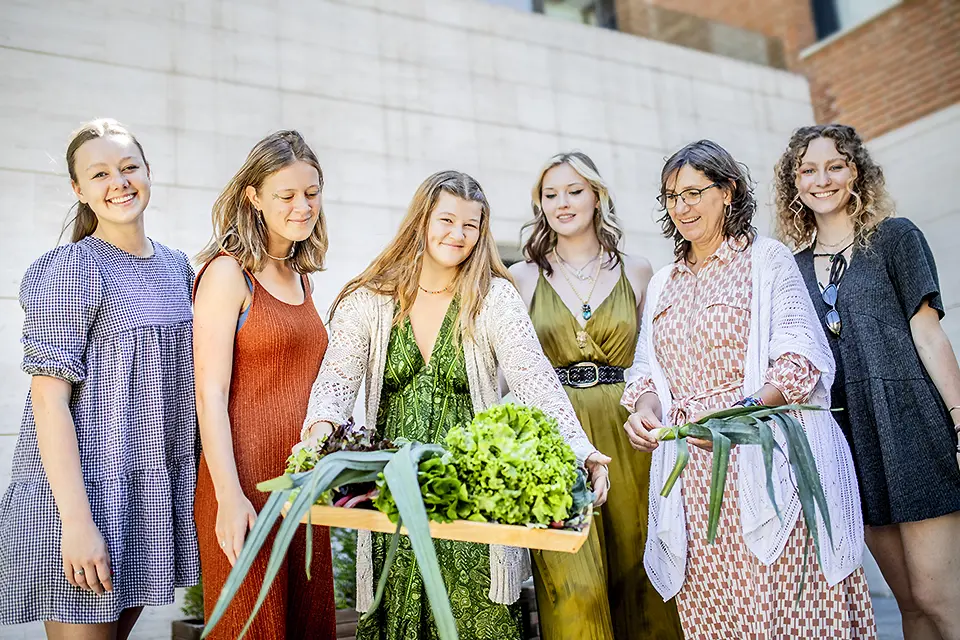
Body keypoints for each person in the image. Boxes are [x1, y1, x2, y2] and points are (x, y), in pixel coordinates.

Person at [300, 169, 610, 640]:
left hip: (471, 501)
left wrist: (581, 449)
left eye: (471, 225)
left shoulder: (494, 298)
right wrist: (319, 439)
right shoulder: (369, 299)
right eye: (447, 220)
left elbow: (535, 382)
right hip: (393, 499)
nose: (458, 235)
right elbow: (336, 382)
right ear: (422, 220)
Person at [622, 139, 876, 639]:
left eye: (694, 192)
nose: (682, 207)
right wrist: (646, 412)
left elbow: (799, 362)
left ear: (729, 191)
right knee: (715, 613)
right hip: (693, 479)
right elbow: (646, 374)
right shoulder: (664, 282)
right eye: (671, 196)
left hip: (768, 462)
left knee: (784, 609)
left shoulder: (766, 260)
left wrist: (736, 416)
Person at [0, 119, 199, 639]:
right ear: (79, 189)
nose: (119, 182)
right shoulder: (70, 268)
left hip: (145, 496)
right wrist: (77, 525)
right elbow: (48, 404)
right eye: (101, 173)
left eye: (129, 167)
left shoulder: (179, 267)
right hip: (79, 499)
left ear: (148, 172)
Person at [775, 123, 960, 639]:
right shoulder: (790, 271)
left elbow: (929, 337)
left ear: (856, 172)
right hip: (851, 444)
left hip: (914, 430)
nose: (822, 179)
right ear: (794, 183)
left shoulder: (897, 238)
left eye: (835, 165)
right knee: (908, 604)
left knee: (938, 598)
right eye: (807, 170)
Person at [510, 151, 682, 640]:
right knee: (573, 584)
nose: (562, 203)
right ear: (539, 205)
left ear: (597, 195)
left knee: (641, 572)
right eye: (550, 194)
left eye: (574, 190)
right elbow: (510, 372)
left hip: (630, 432)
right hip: (556, 435)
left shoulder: (639, 271)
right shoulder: (520, 277)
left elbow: (655, 363)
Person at [192, 130, 336, 639]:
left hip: (300, 488)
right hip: (244, 483)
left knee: (306, 625)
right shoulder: (228, 274)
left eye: (311, 192)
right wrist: (229, 496)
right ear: (253, 196)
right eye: (287, 195)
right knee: (252, 627)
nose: (303, 206)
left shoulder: (303, 279)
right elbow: (208, 397)